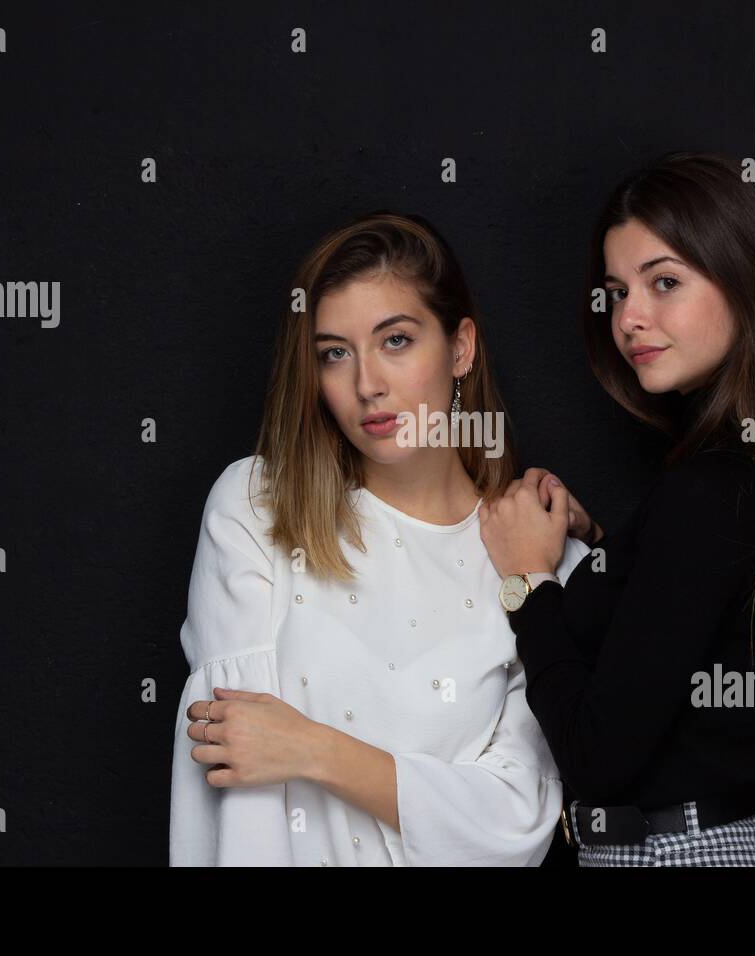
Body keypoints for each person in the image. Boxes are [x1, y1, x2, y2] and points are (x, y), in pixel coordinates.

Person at [479, 151, 755, 866]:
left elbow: (596, 759)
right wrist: (614, 551)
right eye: (615, 292)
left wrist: (528, 581)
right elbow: (702, 636)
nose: (629, 318)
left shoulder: (709, 491)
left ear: (750, 286)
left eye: (664, 282)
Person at [169, 211, 591, 866]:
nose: (367, 384)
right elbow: (236, 795)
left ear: (461, 348)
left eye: (395, 341)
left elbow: (516, 822)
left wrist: (311, 748)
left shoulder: (539, 559)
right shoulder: (257, 507)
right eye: (335, 353)